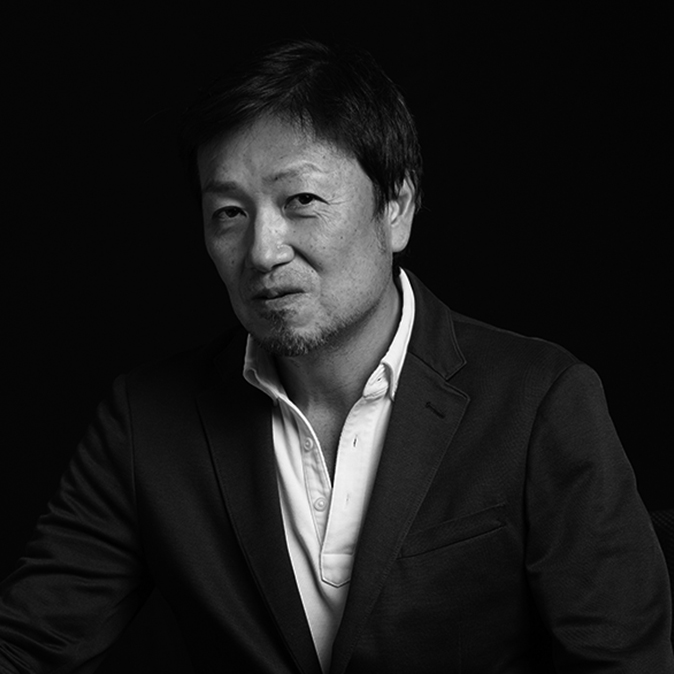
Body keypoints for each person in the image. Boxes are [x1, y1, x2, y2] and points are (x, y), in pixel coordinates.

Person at [0, 39, 672, 674]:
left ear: (397, 207)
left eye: (302, 201)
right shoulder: (146, 421)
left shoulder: (538, 401)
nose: (263, 251)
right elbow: (31, 643)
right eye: (229, 213)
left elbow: (620, 661)